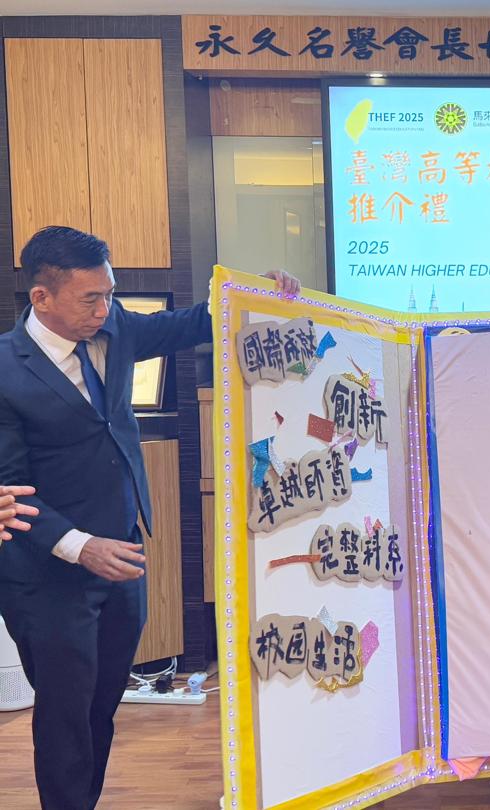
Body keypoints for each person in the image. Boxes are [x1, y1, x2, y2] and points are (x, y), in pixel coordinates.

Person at [0, 225, 300, 810]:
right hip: (47, 574)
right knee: (64, 712)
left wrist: (258, 295)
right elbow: (10, 493)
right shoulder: (5, 371)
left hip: (123, 557)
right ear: (41, 297)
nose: (104, 309)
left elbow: (190, 324)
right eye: (91, 298)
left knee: (100, 704)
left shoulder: (114, 327)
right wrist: (80, 545)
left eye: (109, 294)